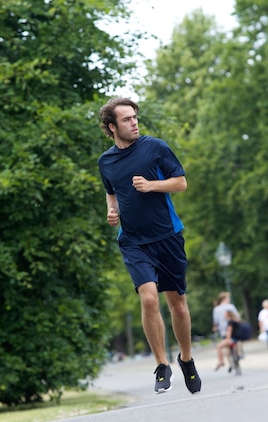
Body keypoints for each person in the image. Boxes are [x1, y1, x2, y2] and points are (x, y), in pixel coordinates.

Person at [97, 97, 201, 395]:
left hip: (167, 235)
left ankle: (186, 359)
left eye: (135, 117)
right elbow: (111, 194)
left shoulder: (155, 147)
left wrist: (152, 185)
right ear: (112, 127)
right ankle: (161, 365)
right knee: (149, 299)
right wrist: (111, 211)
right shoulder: (106, 162)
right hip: (133, 241)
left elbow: (180, 183)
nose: (134, 122)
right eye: (127, 119)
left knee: (177, 304)